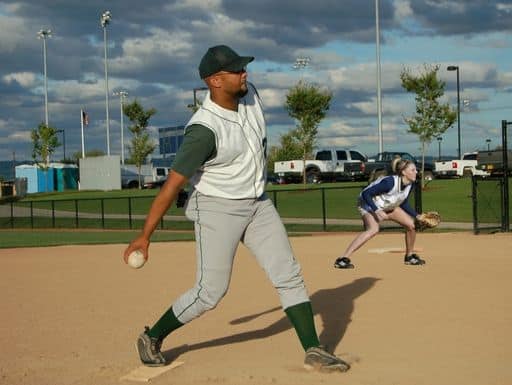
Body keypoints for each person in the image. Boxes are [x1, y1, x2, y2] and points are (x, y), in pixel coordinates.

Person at [123, 45, 350, 373]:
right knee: (209, 292)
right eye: (236, 70)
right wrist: (145, 236)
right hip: (216, 209)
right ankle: (152, 336)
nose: (244, 73)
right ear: (214, 80)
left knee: (288, 273)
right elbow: (171, 186)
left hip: (257, 204)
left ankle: (313, 349)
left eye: (243, 68)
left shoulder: (250, 95)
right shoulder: (203, 131)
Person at [333, 157, 426, 269]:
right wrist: (377, 210)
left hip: (387, 205)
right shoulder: (389, 182)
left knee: (411, 225)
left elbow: (403, 201)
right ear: (403, 172)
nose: (416, 172)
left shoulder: (410, 184)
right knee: (373, 229)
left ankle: (409, 256)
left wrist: (417, 215)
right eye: (413, 170)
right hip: (367, 204)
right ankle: (343, 259)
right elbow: (366, 194)